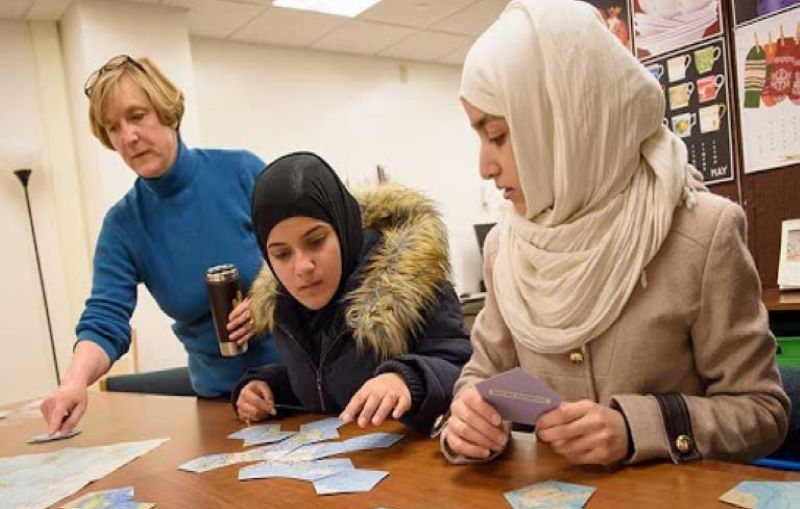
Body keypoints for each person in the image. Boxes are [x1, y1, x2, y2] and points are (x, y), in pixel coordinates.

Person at [441, 0, 789, 466]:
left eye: (500, 135)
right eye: (478, 137)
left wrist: (635, 429)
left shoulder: (704, 233)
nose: (484, 166)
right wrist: (468, 415)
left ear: (567, 122)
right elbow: (484, 373)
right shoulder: (507, 246)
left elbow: (763, 412)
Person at [40, 55, 279, 435]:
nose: (128, 137)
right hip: (221, 403)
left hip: (297, 382)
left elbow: (309, 263)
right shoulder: (123, 225)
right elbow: (105, 320)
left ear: (169, 112)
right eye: (112, 127)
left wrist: (267, 300)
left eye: (137, 116)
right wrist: (73, 382)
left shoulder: (242, 172)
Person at [232, 152, 471, 434]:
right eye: (282, 254)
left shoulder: (413, 278)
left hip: (420, 464)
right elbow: (327, 383)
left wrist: (406, 379)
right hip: (343, 464)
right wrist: (266, 387)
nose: (302, 267)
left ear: (343, 227)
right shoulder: (282, 304)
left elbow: (464, 368)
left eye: (316, 241)